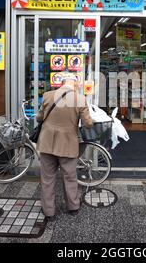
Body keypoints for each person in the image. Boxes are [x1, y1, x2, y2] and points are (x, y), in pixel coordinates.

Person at [36, 73, 93, 220]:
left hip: (47, 143)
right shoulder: (79, 99)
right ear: (74, 84)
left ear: (61, 83)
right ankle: (73, 207)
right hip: (68, 144)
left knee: (47, 178)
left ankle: (49, 212)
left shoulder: (48, 95)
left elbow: (39, 117)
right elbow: (87, 123)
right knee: (70, 177)